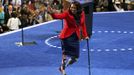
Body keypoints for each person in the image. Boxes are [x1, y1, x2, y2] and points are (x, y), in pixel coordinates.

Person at [48, 1, 89, 75]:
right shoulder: (67, 13)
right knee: (65, 54)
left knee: (76, 57)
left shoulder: (82, 13)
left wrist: (85, 35)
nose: (72, 9)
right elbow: (57, 16)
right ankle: (63, 70)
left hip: (75, 36)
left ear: (78, 9)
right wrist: (52, 13)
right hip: (66, 36)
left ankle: (63, 67)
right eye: (71, 7)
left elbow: (83, 25)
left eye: (74, 8)